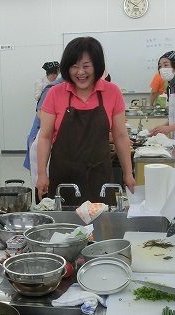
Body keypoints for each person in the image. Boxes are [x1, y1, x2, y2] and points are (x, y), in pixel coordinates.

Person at [36, 37, 135, 207]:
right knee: (64, 228)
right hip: (63, 176)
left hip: (99, 175)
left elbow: (120, 136)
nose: (80, 72)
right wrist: (41, 174)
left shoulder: (112, 91)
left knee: (102, 226)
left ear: (98, 66)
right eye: (74, 66)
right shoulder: (55, 93)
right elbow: (44, 137)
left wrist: (128, 173)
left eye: (86, 66)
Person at [23, 67, 63, 189]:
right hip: (43, 133)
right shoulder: (50, 88)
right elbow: (40, 113)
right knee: (44, 183)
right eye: (53, 74)